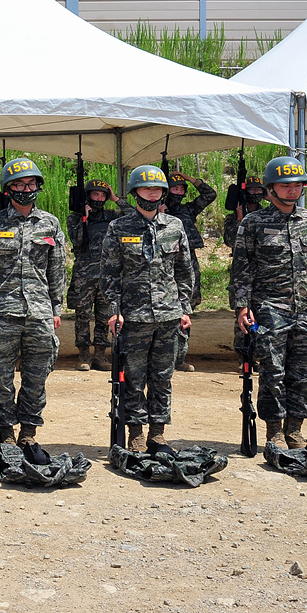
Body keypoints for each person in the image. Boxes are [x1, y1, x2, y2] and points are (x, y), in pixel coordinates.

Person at [233, 156, 307, 450]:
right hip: (270, 310)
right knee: (273, 373)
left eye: (297, 185)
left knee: (304, 373)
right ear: (270, 188)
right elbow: (241, 268)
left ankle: (295, 430)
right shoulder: (254, 223)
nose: (292, 190)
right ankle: (274, 431)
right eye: (285, 185)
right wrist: (243, 306)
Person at [0, 158, 66, 448]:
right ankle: (7, 434)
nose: (26, 189)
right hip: (3, 312)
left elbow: (58, 268)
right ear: (8, 189)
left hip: (39, 311)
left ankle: (28, 432)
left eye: (30, 183)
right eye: (19, 184)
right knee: (0, 378)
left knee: (36, 376)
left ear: (38, 186)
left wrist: (56, 308)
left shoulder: (50, 223)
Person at [101, 166, 194, 451]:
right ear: (135, 192)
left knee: (162, 377)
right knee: (134, 378)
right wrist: (114, 310)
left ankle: (157, 432)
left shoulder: (174, 226)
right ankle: (136, 433)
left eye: (156, 189)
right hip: (134, 317)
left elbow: (185, 271)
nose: (152, 194)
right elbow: (109, 274)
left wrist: (185, 308)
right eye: (146, 189)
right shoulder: (119, 228)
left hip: (168, 316)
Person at [66, 178, 122, 372]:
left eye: (102, 195)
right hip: (84, 274)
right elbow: (77, 241)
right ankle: (83, 354)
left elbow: (135, 215)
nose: (99, 198)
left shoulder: (111, 215)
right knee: (82, 315)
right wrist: (84, 218)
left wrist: (116, 199)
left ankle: (100, 355)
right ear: (87, 196)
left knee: (104, 316)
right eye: (95, 194)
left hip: (106, 275)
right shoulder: (75, 217)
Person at [164, 170, 217, 372]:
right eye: (173, 188)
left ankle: (180, 357)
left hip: (188, 262)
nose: (178, 192)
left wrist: (188, 178)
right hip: (165, 264)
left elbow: (209, 194)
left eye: (181, 189)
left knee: (186, 308)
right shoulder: (155, 212)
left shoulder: (187, 210)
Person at [223, 175, 266, 369]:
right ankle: (243, 357)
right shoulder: (233, 217)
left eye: (258, 190)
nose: (255, 193)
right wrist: (240, 219)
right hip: (243, 269)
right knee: (242, 314)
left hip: (264, 271)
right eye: (252, 190)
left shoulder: (267, 215)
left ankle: (257, 354)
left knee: (262, 315)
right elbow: (231, 241)